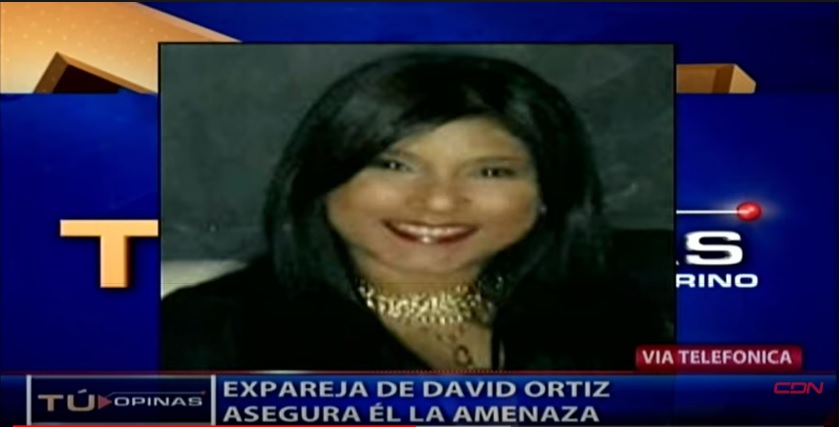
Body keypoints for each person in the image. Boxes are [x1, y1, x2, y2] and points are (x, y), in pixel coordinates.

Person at [161, 51, 673, 371]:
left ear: (549, 193)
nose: (439, 201)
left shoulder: (637, 312)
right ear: (324, 179)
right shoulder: (210, 334)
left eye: (491, 172)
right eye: (394, 166)